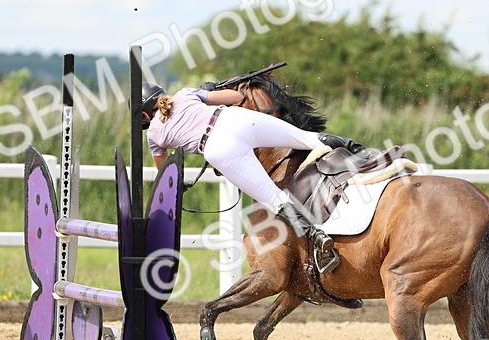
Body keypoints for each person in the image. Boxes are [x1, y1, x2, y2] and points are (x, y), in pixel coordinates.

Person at [143, 81, 364, 274]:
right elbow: (238, 97)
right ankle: (367, 155)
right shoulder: (184, 94)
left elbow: (168, 174)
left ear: (144, 115)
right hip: (234, 119)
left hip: (218, 149)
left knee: (275, 199)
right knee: (309, 139)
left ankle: (318, 238)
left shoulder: (153, 134)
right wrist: (207, 92)